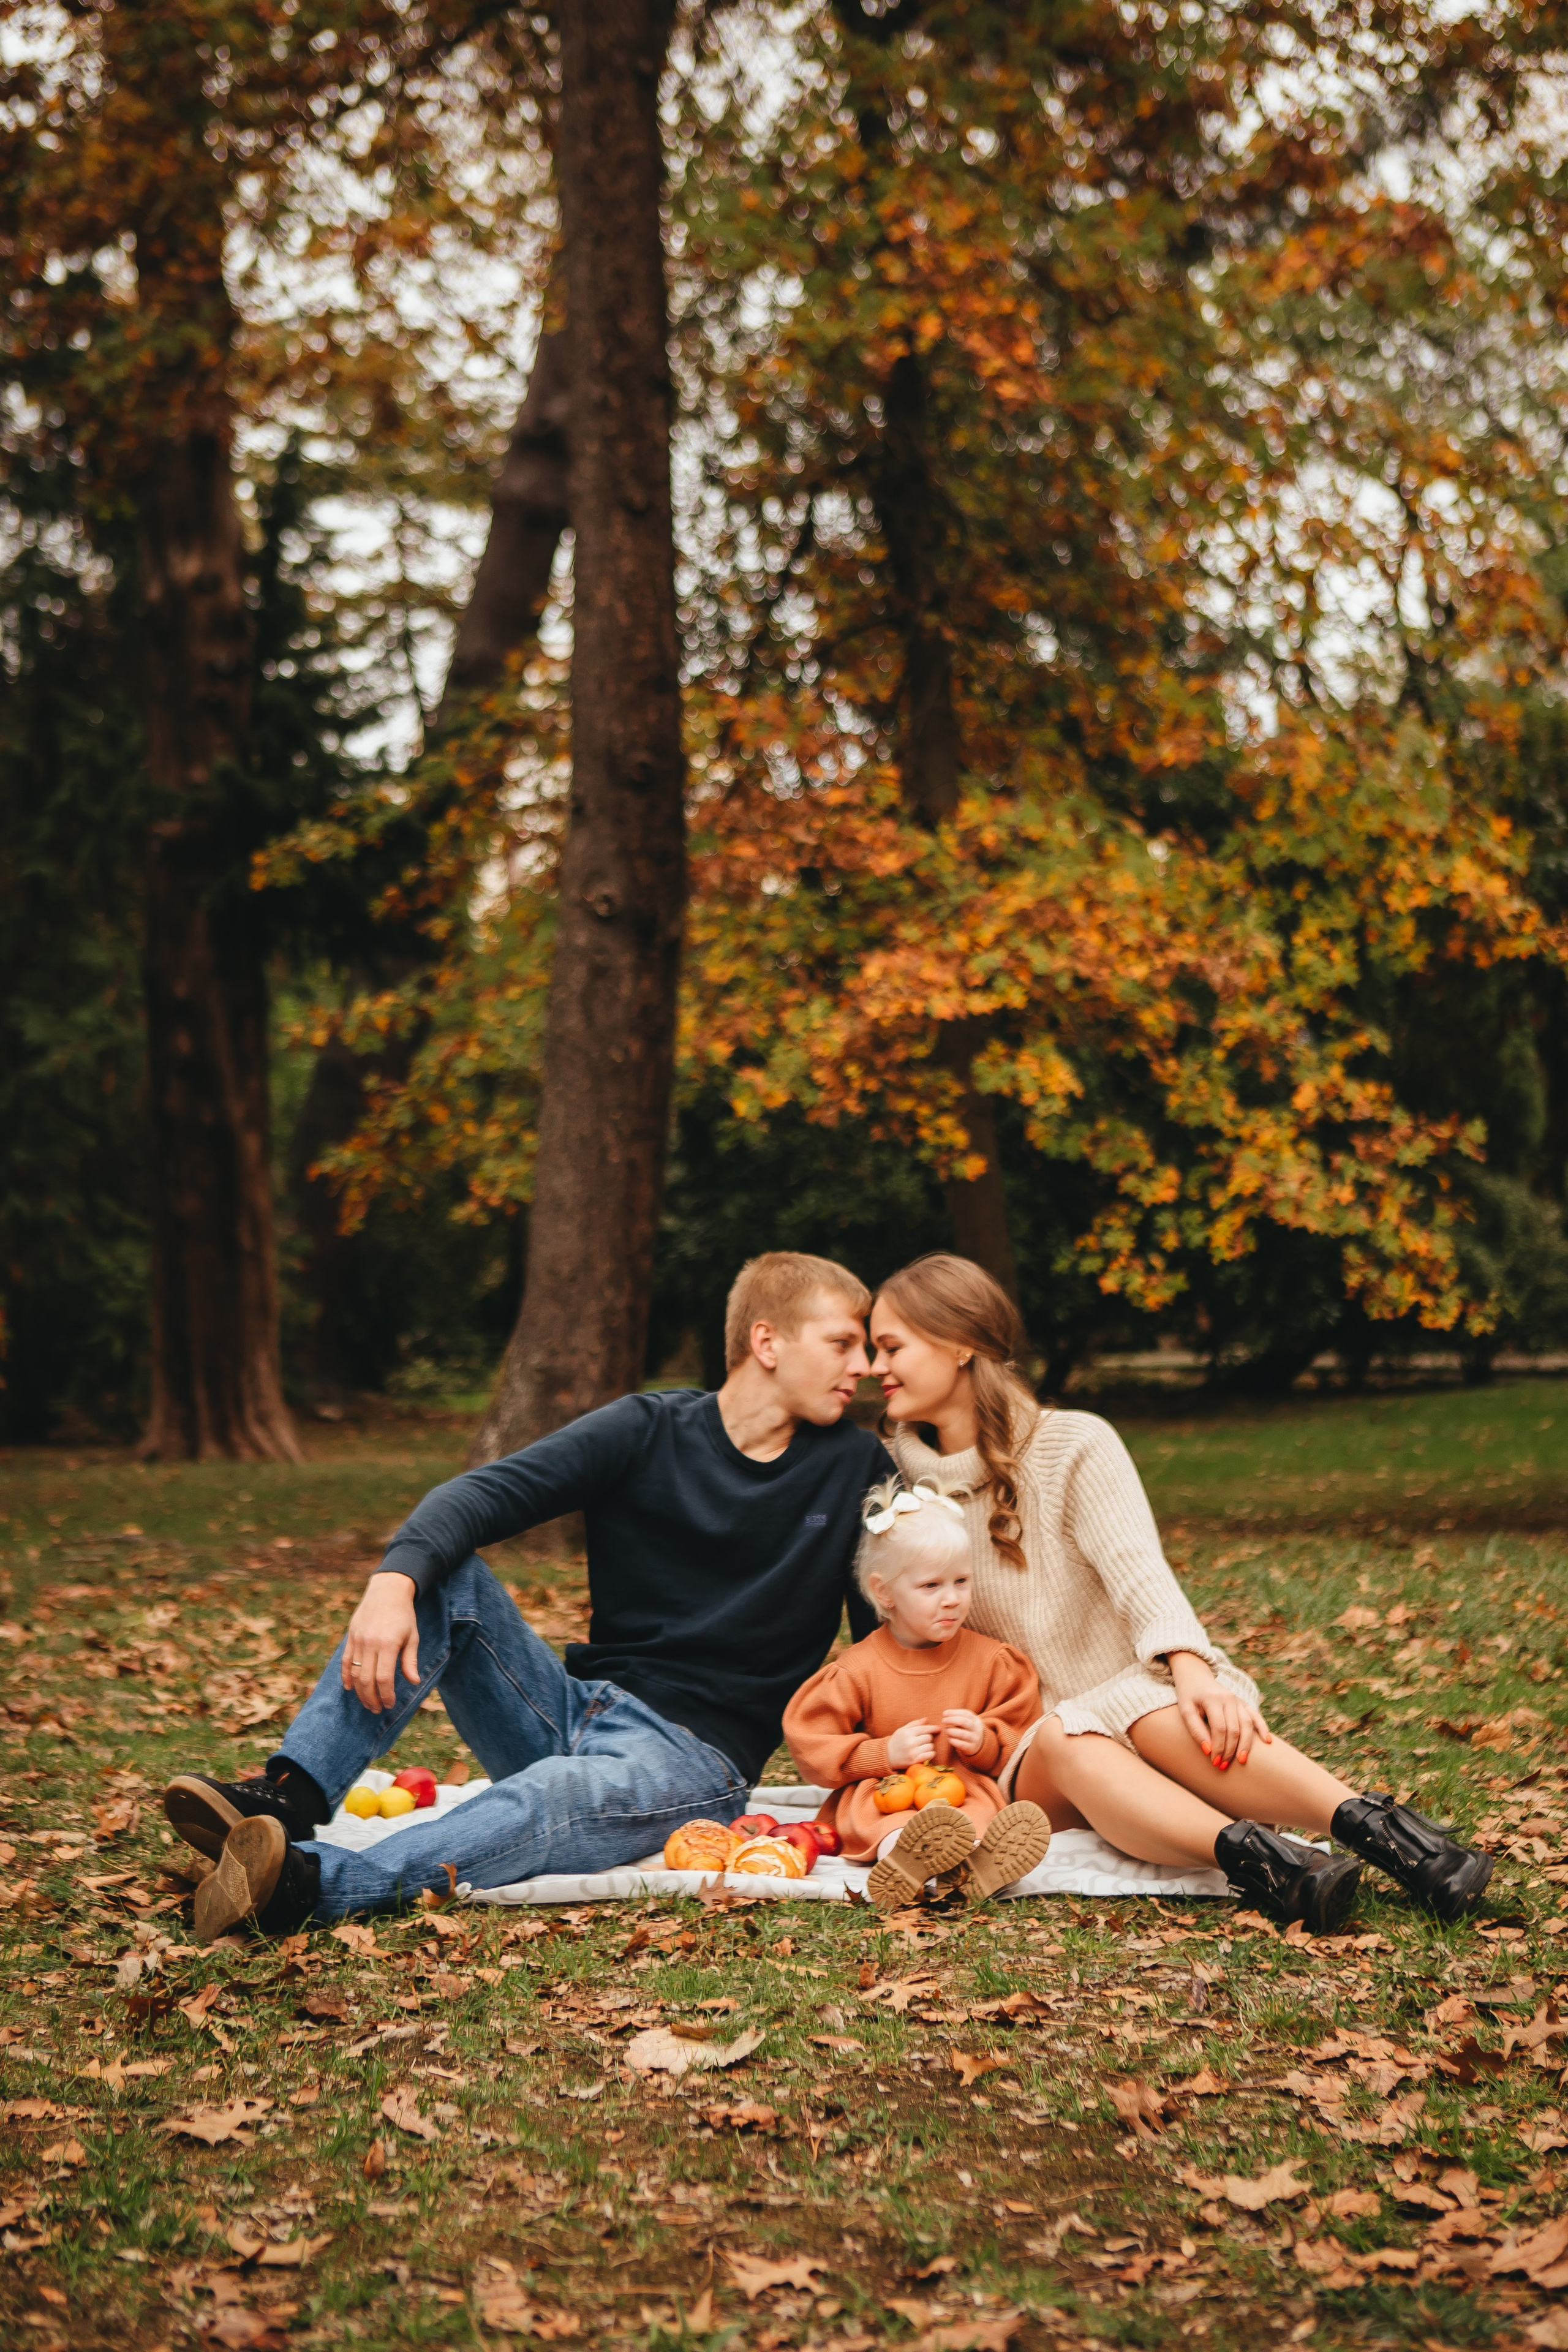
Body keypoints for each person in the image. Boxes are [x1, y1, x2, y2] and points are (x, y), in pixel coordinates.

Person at [164, 1252, 892, 1941]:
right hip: (573, 1709)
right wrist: (393, 1583)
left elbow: (881, 1645)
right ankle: (290, 1797)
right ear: (767, 1341)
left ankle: (303, 1887)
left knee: (551, 1796)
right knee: (447, 1577)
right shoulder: (647, 1429)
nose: (861, 1368)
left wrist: (905, 1773)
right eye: (842, 1345)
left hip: (691, 1762)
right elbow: (481, 1495)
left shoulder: (857, 1466)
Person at [872, 1253, 1493, 1929]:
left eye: (890, 1346)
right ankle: (1274, 1866)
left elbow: (1138, 1571)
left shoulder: (1074, 1444)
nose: (878, 1367)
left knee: (1152, 1700)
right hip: (1022, 1752)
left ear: (960, 1343)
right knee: (1068, 1734)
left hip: (1142, 1719)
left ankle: (1400, 1846)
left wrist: (1191, 1669)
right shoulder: (901, 1492)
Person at [784, 1475, 1052, 1912]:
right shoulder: (858, 1670)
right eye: (931, 1586)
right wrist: (883, 1753)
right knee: (895, 1825)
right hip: (888, 1791)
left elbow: (1022, 1739)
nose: (951, 1599)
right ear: (883, 1592)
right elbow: (813, 1743)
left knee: (975, 1819)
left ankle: (978, 1866)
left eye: (961, 1582)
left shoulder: (991, 1661)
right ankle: (909, 1863)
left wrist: (986, 1743)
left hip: (959, 1788)